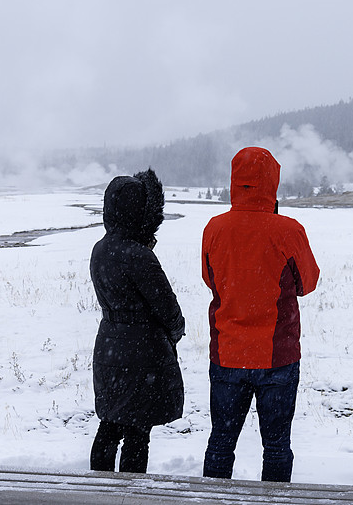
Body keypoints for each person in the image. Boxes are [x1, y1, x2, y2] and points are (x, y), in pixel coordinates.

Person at [201, 146, 320, 482]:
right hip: (277, 356)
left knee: (221, 443)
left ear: (234, 181)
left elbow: (211, 280)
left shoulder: (214, 228)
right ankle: (274, 500)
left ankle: (211, 499)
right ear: (272, 182)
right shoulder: (289, 230)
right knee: (277, 446)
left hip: (228, 352)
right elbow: (307, 283)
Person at [89, 169, 186, 473]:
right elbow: (167, 307)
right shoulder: (139, 255)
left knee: (109, 424)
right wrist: (177, 330)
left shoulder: (100, 249)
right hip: (141, 352)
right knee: (137, 431)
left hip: (109, 346)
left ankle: (97, 489)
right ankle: (129, 493)